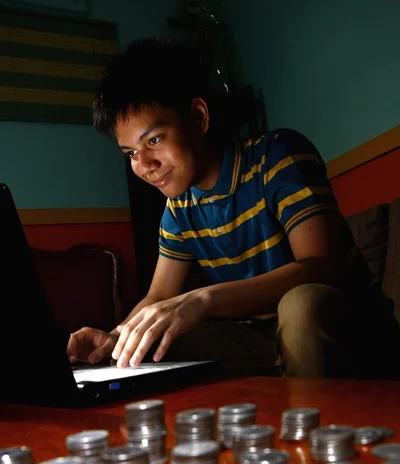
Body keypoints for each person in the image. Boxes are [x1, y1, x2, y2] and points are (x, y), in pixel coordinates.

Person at [67, 37, 400, 379]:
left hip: (344, 324)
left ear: (198, 118)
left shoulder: (277, 157)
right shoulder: (179, 207)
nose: (145, 164)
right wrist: (113, 338)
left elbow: (319, 266)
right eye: (131, 154)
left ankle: (309, 430)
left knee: (301, 306)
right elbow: (159, 294)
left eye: (154, 140)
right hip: (259, 337)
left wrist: (203, 300)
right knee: (154, 345)